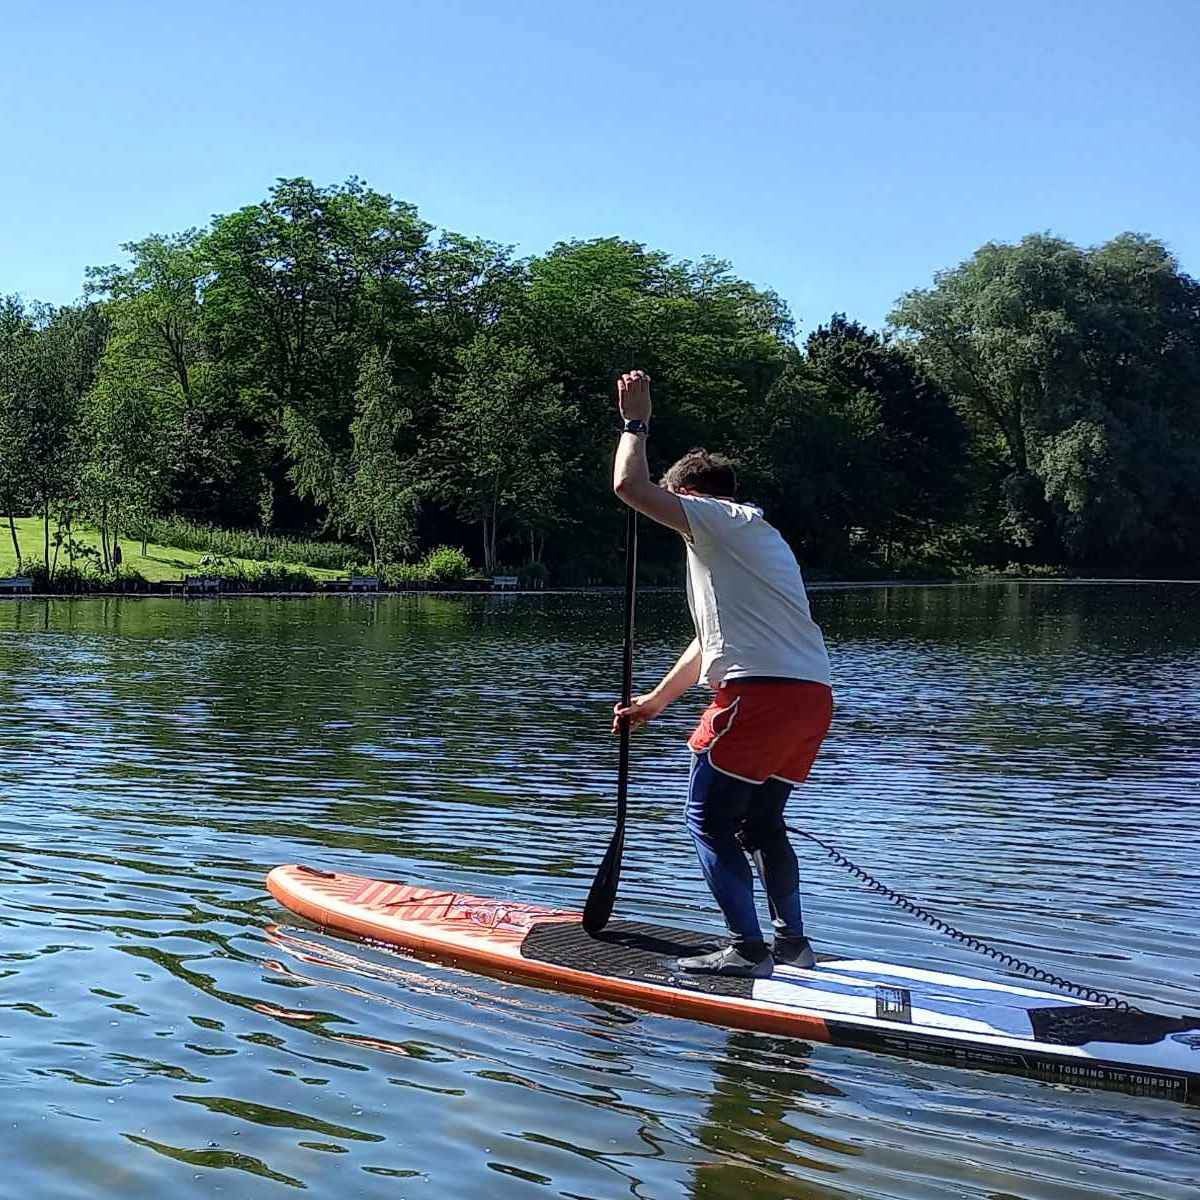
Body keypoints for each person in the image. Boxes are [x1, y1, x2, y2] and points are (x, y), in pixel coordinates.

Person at [610, 370, 833, 978]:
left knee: (706, 818)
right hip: (810, 698)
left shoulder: (715, 517)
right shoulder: (754, 538)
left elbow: (630, 485)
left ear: (691, 496)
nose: (674, 520)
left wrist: (636, 422)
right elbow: (710, 639)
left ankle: (746, 950)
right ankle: (793, 943)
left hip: (758, 696)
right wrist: (656, 701)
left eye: (676, 506)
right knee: (761, 821)